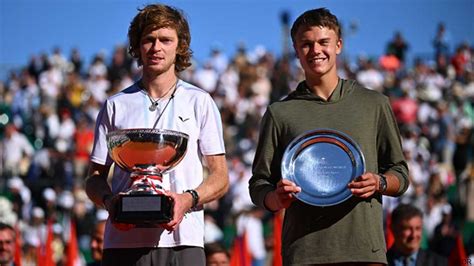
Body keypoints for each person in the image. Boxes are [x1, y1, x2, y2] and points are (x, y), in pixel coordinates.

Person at [249, 8, 409, 265]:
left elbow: (401, 174)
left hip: (364, 252)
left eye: (324, 42)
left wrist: (378, 182)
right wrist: (275, 198)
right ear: (296, 50)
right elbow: (258, 184)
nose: (315, 51)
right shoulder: (279, 113)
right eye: (306, 44)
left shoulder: (374, 104)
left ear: (339, 45)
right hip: (304, 253)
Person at [85, 4, 229, 265]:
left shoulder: (200, 101)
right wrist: (110, 202)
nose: (156, 47)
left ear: (180, 46)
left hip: (183, 239)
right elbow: (94, 178)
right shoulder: (115, 104)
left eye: (165, 40)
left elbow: (220, 177)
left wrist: (187, 199)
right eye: (148, 40)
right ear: (137, 46)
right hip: (122, 241)